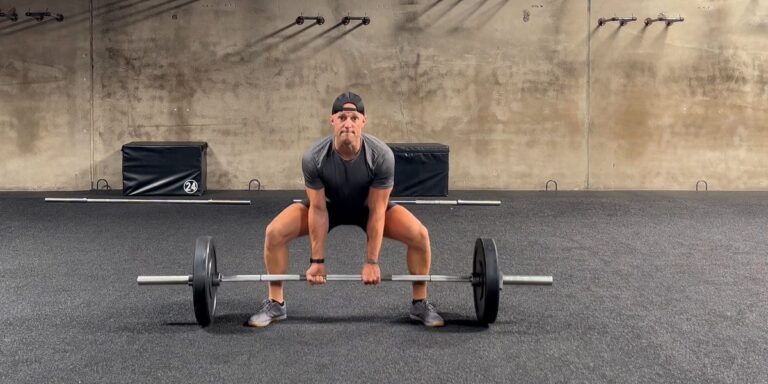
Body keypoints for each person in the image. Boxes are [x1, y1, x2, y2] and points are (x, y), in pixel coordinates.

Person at [248, 92, 444, 328]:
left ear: (363, 121)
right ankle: (275, 303)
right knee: (274, 233)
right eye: (342, 117)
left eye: (353, 117)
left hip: (366, 208)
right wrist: (317, 260)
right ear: (332, 121)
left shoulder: (382, 156)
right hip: (329, 208)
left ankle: (420, 303)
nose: (348, 123)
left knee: (420, 235)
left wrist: (372, 261)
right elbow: (318, 209)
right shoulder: (314, 157)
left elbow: (378, 210)